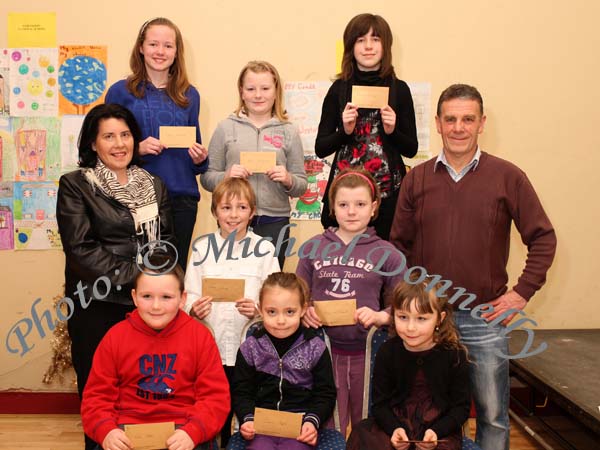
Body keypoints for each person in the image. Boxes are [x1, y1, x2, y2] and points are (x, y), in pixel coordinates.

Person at [390, 84, 557, 450]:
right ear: (437, 123)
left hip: (485, 318)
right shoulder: (417, 179)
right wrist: (404, 307)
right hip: (428, 322)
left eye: (468, 119)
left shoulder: (507, 176)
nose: (458, 127)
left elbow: (543, 238)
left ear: (482, 123)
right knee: (432, 414)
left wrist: (521, 293)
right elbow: (397, 248)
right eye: (450, 119)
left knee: (493, 415)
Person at [56, 103, 176, 450]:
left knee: (145, 391)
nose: (119, 143)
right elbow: (81, 250)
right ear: (93, 143)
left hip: (147, 306)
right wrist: (140, 277)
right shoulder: (76, 185)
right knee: (100, 397)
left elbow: (166, 243)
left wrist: (150, 288)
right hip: (97, 304)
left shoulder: (153, 184)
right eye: (108, 136)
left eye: (125, 135)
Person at [81, 254, 230, 450]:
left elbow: (215, 398)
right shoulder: (115, 337)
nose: (156, 306)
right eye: (147, 296)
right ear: (134, 297)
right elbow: (96, 397)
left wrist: (192, 432)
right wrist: (107, 431)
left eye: (166, 297)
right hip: (127, 432)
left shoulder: (199, 337)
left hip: (184, 430)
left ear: (182, 299)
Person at [296, 167, 405, 434]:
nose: (352, 211)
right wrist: (304, 311)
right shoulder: (313, 247)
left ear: (374, 207)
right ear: (332, 207)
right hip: (322, 354)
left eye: (360, 204)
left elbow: (404, 307)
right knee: (327, 427)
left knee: (366, 427)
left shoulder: (388, 253)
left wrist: (382, 316)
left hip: (368, 354)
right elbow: (296, 296)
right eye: (343, 204)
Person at [105, 17, 208, 270]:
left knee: (174, 274)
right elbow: (103, 146)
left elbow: (195, 150)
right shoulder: (120, 91)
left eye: (168, 46)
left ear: (176, 51)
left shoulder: (189, 94)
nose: (160, 52)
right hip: (135, 198)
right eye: (153, 44)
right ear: (141, 47)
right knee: (138, 274)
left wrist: (199, 158)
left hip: (181, 197)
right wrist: (135, 149)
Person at [184, 177, 280, 447]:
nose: (234, 215)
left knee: (246, 405)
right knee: (214, 406)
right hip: (210, 347)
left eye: (241, 207)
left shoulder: (264, 249)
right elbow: (188, 293)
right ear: (214, 211)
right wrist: (193, 307)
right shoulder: (201, 248)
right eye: (226, 208)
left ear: (252, 212)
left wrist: (259, 310)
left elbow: (276, 296)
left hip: (249, 348)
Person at [315, 13, 418, 240]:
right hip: (344, 197)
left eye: (376, 39)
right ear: (351, 47)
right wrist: (345, 131)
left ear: (386, 46)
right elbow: (321, 147)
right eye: (361, 40)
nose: (368, 46)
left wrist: (392, 131)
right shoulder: (338, 89)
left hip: (387, 197)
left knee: (384, 264)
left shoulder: (399, 89)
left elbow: (411, 148)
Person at [201, 61, 307, 268]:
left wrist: (288, 179)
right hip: (232, 218)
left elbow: (301, 184)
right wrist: (226, 175)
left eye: (265, 88)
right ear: (242, 92)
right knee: (232, 277)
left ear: (276, 91)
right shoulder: (225, 128)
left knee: (270, 285)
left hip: (275, 220)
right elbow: (206, 177)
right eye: (251, 89)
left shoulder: (289, 131)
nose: (258, 95)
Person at [347, 276, 470, 450]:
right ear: (393, 315)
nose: (411, 327)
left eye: (421, 319)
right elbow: (380, 405)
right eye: (403, 317)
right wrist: (394, 429)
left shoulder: (455, 355)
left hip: (438, 429)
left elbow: (461, 408)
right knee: (361, 434)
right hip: (394, 423)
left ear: (440, 319)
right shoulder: (387, 351)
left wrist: (436, 432)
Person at [232, 272, 337, 450]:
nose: (281, 321)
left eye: (290, 312)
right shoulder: (250, 348)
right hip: (261, 425)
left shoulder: (315, 348)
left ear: (303, 309)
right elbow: (241, 392)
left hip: (301, 425)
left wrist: (312, 421)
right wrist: (248, 418)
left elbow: (325, 394)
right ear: (260, 309)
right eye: (271, 312)